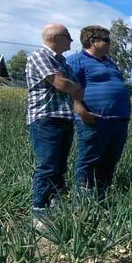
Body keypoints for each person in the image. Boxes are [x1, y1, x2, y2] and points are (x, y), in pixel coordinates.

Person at [26, 24, 84, 226]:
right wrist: (71, 86)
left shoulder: (63, 63)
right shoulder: (40, 55)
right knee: (48, 164)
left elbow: (77, 88)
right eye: (68, 36)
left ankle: (56, 205)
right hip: (45, 118)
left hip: (64, 118)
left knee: (60, 165)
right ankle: (39, 211)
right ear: (55, 37)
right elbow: (63, 85)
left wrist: (72, 86)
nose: (71, 40)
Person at [67, 25, 131, 201]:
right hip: (94, 120)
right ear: (93, 42)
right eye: (107, 40)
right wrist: (82, 112)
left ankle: (102, 196)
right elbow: (69, 88)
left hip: (118, 120)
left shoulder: (109, 62)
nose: (110, 43)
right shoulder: (77, 60)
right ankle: (83, 200)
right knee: (89, 160)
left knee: (110, 159)